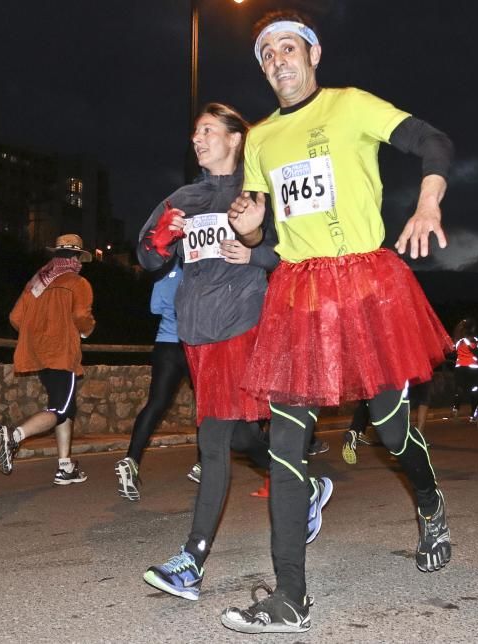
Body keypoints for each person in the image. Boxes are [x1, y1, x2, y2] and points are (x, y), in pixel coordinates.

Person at [224, 11, 454, 633]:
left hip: (368, 290)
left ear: (314, 54)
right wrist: (249, 233)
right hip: (300, 297)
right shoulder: (262, 140)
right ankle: (290, 596)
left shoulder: (351, 106)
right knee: (286, 441)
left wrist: (427, 201)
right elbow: (268, 231)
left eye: (288, 47)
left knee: (389, 425)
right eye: (266, 53)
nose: (277, 59)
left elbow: (434, 141)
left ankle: (430, 504)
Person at [135, 103, 332, 603]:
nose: (197, 139)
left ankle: (192, 562)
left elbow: (296, 246)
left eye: (207, 131)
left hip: (245, 322)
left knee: (214, 438)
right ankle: (305, 486)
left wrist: (255, 253)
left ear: (234, 139)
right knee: (240, 430)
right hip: (196, 330)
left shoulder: (257, 190)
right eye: (194, 131)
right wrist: (159, 242)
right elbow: (146, 255)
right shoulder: (183, 197)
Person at [0, 234, 95, 484]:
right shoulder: (78, 282)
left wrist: (37, 334)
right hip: (62, 352)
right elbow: (82, 316)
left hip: (39, 354)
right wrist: (86, 329)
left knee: (63, 408)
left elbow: (16, 318)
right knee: (61, 409)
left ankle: (65, 466)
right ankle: (14, 436)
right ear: (77, 257)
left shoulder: (36, 283)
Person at [114, 263, 190, 500]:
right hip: (194, 344)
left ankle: (132, 459)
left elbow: (155, 308)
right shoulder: (201, 267)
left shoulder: (164, 271)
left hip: (165, 343)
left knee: (155, 404)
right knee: (207, 404)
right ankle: (202, 464)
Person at [451, 319, 478, 420]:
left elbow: (454, 350)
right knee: (475, 390)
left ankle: (455, 408)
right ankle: (473, 414)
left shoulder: (459, 341)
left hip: (460, 367)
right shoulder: (475, 339)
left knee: (459, 388)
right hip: (473, 368)